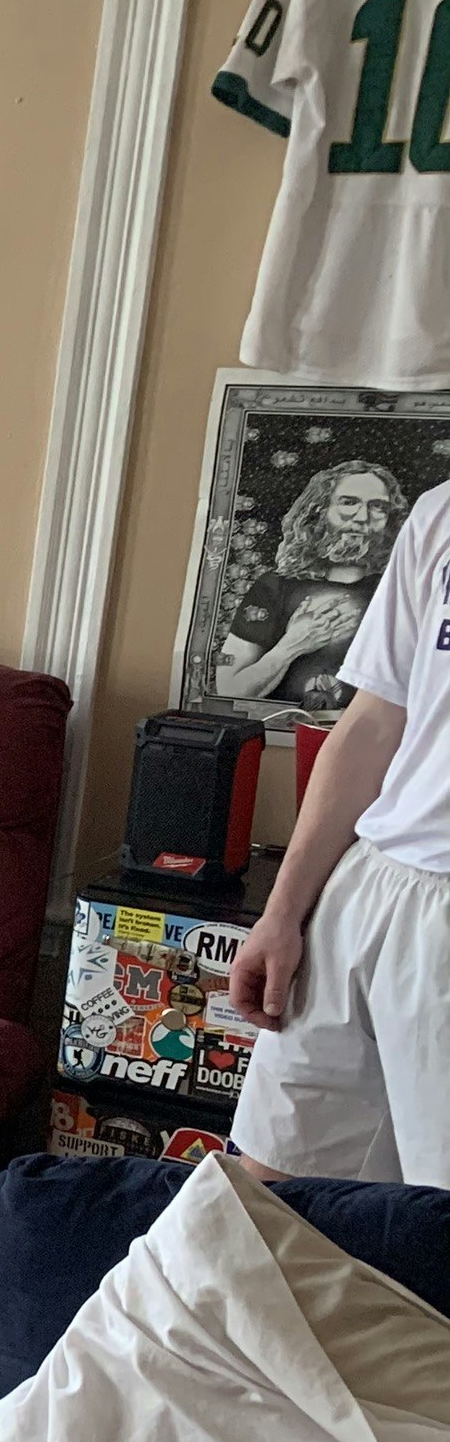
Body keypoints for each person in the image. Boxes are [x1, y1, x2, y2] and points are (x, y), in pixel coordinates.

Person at [229, 474, 450, 1186]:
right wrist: (283, 914)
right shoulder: (440, 511)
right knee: (267, 1193)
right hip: (371, 890)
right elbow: (373, 721)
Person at [211, 458, 404, 708]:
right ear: (319, 511)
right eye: (348, 502)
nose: (362, 517)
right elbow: (230, 690)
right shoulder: (274, 587)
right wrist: (293, 645)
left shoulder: (401, 590)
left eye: (378, 507)